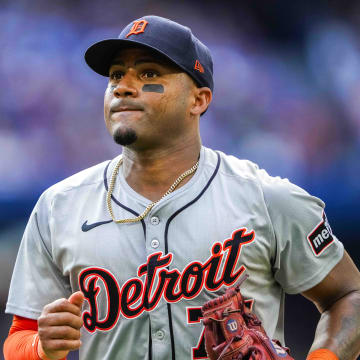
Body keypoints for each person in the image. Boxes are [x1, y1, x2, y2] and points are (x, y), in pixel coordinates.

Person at [3, 15, 360, 360]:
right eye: (115, 75)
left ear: (198, 99)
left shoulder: (266, 198)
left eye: (148, 74)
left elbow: (350, 294)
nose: (123, 86)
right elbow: (20, 336)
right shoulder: (58, 206)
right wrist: (40, 348)